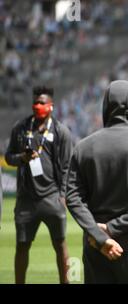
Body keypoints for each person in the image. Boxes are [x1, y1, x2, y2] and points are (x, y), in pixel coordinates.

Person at [66, 80, 128, 284]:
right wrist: (113, 228)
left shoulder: (83, 148)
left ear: (105, 106)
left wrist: (101, 236)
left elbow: (73, 199)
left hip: (96, 250)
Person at [5, 86, 73, 284]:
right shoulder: (20, 127)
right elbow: (9, 157)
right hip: (26, 199)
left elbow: (68, 166)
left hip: (52, 197)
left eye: (42, 102)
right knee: (22, 246)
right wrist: (22, 158)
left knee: (60, 244)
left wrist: (63, 195)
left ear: (51, 106)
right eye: (35, 102)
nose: (37, 105)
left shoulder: (61, 131)